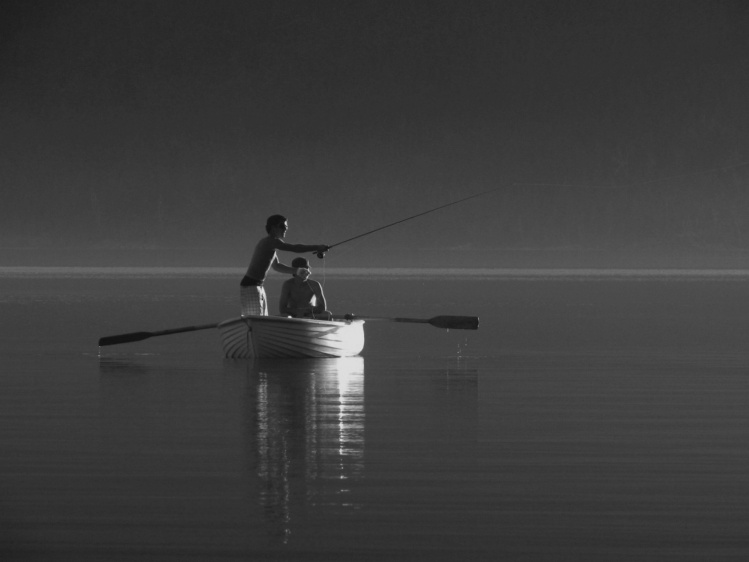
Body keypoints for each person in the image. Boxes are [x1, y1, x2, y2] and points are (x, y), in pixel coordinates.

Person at [240, 214, 329, 316]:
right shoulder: (270, 241)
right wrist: (317, 247)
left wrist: (296, 271)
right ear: (273, 227)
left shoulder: (271, 246)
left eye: (286, 227)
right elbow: (294, 248)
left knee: (261, 317)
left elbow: (277, 266)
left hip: (258, 286)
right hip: (250, 285)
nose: (285, 229)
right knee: (255, 319)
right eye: (282, 226)